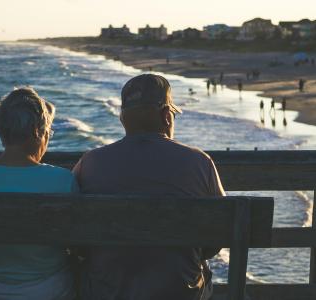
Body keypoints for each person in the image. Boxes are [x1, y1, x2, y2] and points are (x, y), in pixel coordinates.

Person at [73, 74, 225, 300]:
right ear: (166, 117)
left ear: (123, 119)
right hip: (180, 292)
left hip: (107, 292)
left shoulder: (90, 162)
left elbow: (75, 237)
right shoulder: (200, 162)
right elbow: (218, 236)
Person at [0, 87, 77, 300]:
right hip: (46, 290)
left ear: (1, 131)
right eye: (49, 132)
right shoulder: (63, 180)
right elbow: (77, 243)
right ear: (39, 132)